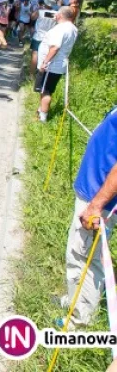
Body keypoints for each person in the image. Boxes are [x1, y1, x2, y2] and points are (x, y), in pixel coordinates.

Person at [54, 105, 117, 329]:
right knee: (81, 253)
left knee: (85, 257)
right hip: (93, 192)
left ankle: (79, 320)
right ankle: (74, 302)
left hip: (101, 201)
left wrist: (96, 205)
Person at [35, 6, 79, 122]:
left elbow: (55, 47)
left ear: (60, 15)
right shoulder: (73, 28)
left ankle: (42, 117)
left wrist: (45, 62)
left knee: (45, 91)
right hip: (59, 64)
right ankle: (40, 110)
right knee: (48, 89)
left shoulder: (60, 29)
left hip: (51, 66)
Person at [31, 0, 58, 75]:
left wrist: (38, 9)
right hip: (49, 38)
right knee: (45, 56)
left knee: (35, 54)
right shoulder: (56, 14)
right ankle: (41, 74)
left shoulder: (40, 12)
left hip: (38, 36)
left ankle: (31, 74)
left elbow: (32, 17)